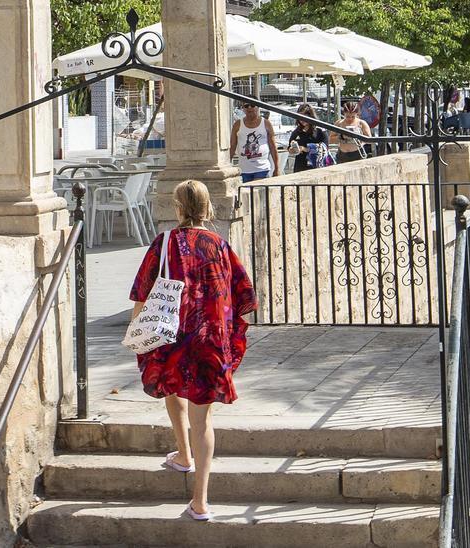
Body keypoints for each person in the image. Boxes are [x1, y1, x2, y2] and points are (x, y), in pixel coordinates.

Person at [129, 180, 258, 521]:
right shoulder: (219, 245)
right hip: (209, 338)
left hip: (173, 334)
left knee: (173, 386)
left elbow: (143, 290)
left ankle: (184, 455)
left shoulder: (165, 242)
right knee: (204, 420)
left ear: (178, 207)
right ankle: (199, 501)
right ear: (207, 207)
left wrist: (138, 330)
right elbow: (241, 294)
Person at [229, 103, 280, 182]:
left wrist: (277, 169)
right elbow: (232, 146)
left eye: (252, 105)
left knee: (258, 191)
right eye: (246, 106)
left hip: (262, 169)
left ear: (257, 107)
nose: (249, 108)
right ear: (243, 108)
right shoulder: (237, 124)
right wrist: (228, 164)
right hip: (244, 170)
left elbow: (273, 147)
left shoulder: (266, 123)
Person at [286, 103, 328, 172]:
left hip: (317, 166)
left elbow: (325, 147)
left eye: (304, 117)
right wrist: (291, 149)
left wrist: (306, 149)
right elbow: (290, 145)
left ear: (310, 116)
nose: (302, 120)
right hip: (300, 166)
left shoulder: (320, 130)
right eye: (300, 117)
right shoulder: (297, 131)